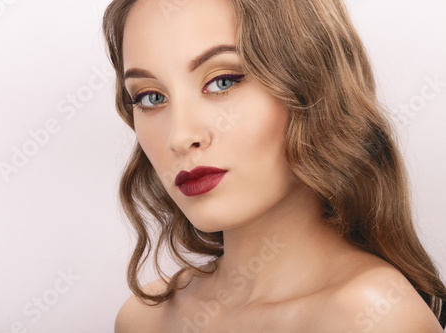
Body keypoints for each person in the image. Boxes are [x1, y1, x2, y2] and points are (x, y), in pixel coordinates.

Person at [103, 0, 446, 331]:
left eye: (223, 81)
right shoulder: (144, 319)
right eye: (151, 97)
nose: (179, 136)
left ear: (314, 86)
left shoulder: (374, 316)